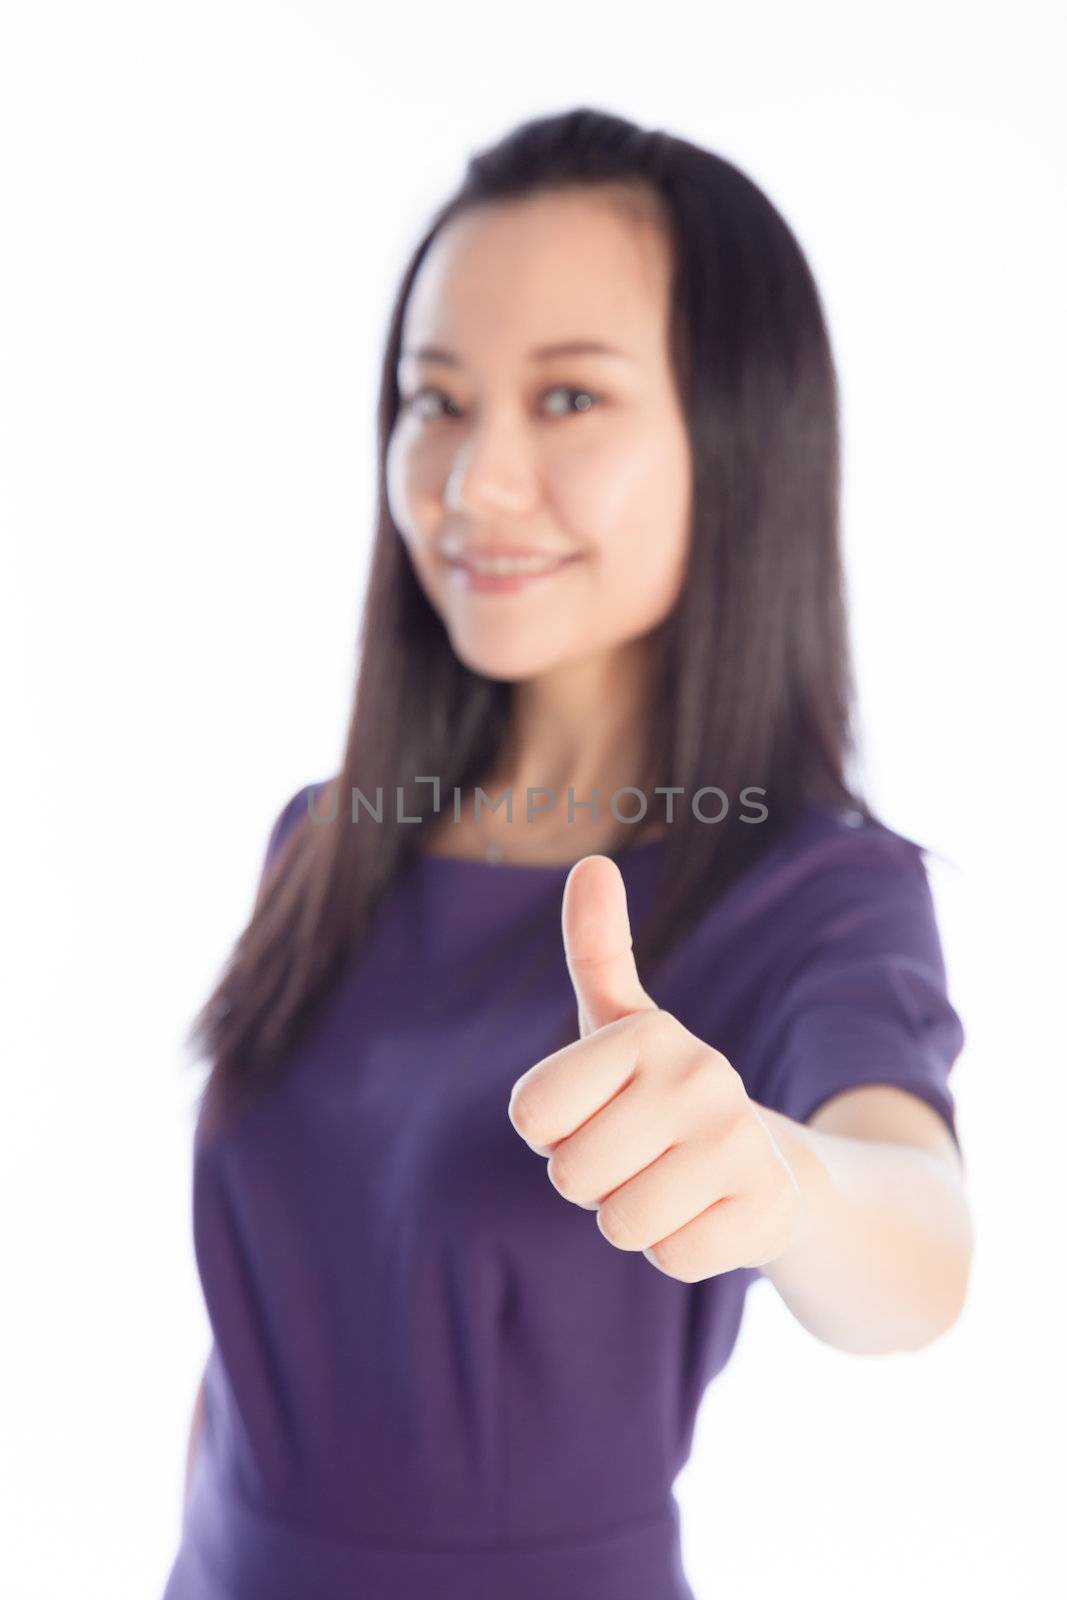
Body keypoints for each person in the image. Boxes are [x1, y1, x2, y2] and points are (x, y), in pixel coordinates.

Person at [161, 106, 972, 1600]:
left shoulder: (809, 888)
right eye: (436, 399)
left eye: (571, 401)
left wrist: (781, 1180)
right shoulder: (328, 837)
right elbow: (248, 1370)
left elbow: (917, 1248)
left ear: (737, 440)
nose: (471, 485)